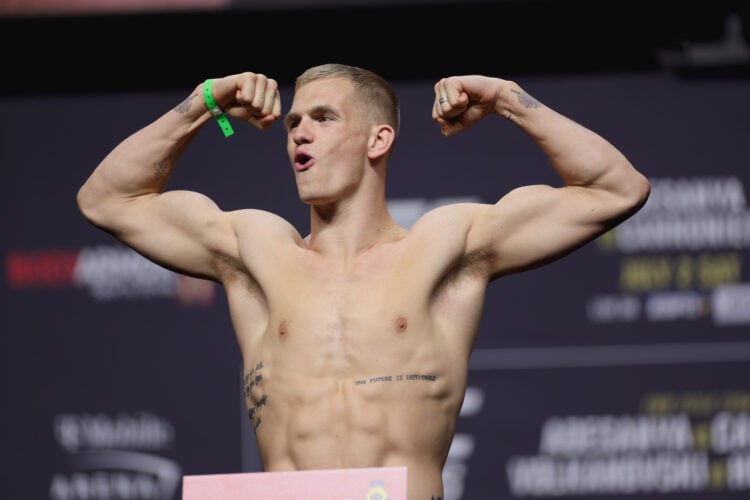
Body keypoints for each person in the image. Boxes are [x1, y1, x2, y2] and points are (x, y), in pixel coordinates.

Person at [77, 63, 650, 499]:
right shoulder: (256, 251)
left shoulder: (444, 248)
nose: (300, 133)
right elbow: (107, 199)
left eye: (324, 119)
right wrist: (205, 102)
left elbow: (616, 190)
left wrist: (507, 99)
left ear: (378, 140)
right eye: (295, 122)